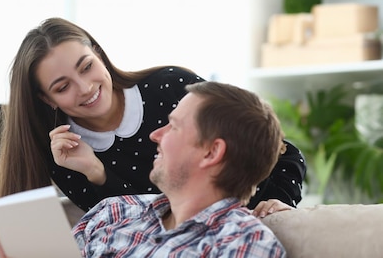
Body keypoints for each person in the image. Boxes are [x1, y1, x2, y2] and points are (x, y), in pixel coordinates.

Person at [0, 17, 306, 215]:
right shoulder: (65, 155)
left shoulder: (173, 86)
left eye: (86, 66)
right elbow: (139, 228)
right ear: (45, 98)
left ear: (98, 53)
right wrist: (97, 173)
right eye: (62, 86)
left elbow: (283, 152)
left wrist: (278, 206)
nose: (84, 88)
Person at [73, 81, 286, 257]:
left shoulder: (244, 244)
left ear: (211, 152)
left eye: (173, 126)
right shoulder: (111, 212)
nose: (155, 135)